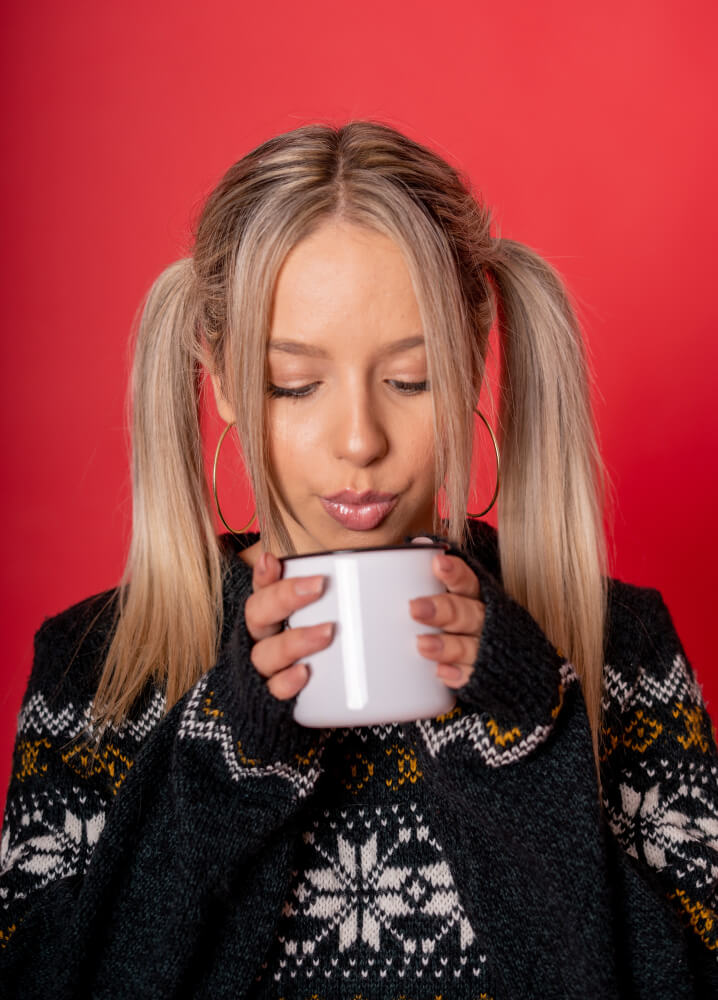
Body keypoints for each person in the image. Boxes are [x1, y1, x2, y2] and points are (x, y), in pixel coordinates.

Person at [1, 120, 716, 1000]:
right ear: (221, 379)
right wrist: (228, 760)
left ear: (472, 360)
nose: (359, 440)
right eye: (294, 384)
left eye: (411, 379)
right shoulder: (96, 673)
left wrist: (524, 736)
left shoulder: (625, 653)